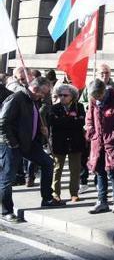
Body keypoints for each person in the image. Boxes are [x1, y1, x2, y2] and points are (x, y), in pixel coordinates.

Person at [0, 77, 64, 223]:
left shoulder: (34, 100)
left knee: (48, 163)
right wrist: (13, 143)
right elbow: (3, 123)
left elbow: (32, 120)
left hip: (28, 143)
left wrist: (42, 130)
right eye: (44, 93)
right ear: (35, 89)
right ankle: (6, 211)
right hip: (11, 145)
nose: (45, 96)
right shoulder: (16, 98)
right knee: (7, 177)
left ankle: (47, 198)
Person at [85, 80, 114, 214]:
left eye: (98, 96)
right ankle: (102, 201)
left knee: (111, 170)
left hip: (111, 142)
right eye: (94, 97)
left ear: (103, 91)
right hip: (97, 141)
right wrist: (91, 132)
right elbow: (89, 118)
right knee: (99, 171)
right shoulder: (93, 100)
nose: (97, 99)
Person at [47, 84, 86, 203]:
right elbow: (54, 122)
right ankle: (55, 193)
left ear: (72, 96)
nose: (62, 97)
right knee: (57, 168)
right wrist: (71, 120)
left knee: (75, 169)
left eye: (65, 95)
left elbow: (81, 122)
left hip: (75, 142)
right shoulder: (54, 108)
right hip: (59, 142)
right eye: (60, 95)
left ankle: (74, 193)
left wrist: (65, 120)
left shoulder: (79, 107)